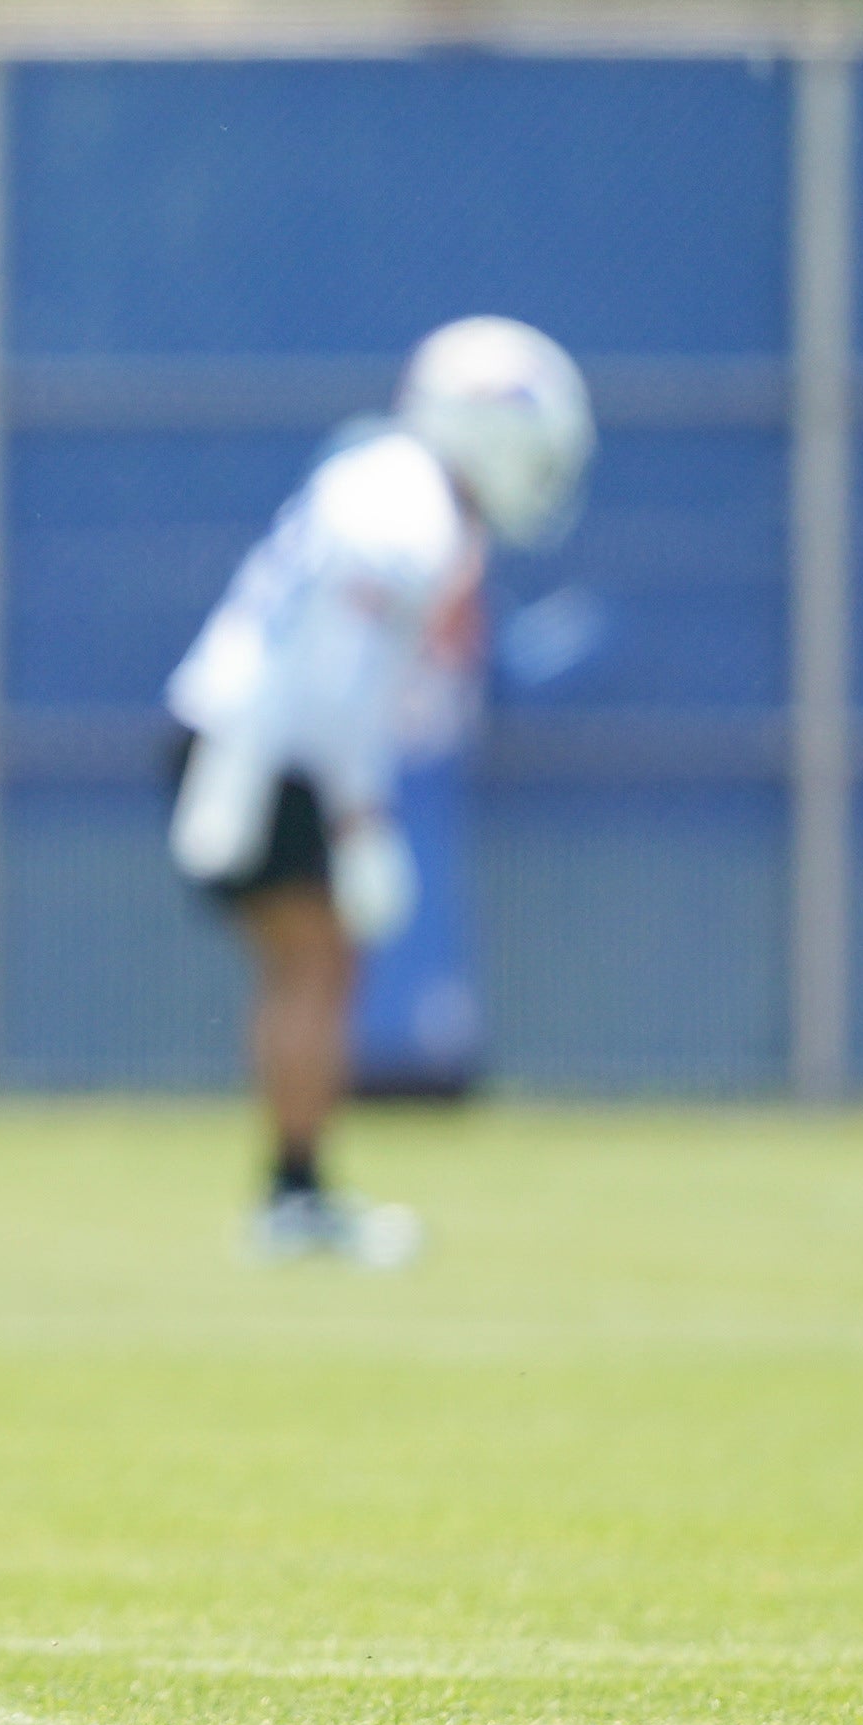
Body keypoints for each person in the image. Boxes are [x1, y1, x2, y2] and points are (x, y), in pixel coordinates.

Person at [165, 318, 589, 1265]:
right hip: (268, 745)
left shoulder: (382, 479)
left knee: (316, 962)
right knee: (315, 961)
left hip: (257, 737)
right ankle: (295, 1195)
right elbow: (331, 674)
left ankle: (298, 1187)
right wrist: (357, 811)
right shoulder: (411, 510)